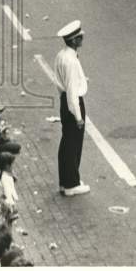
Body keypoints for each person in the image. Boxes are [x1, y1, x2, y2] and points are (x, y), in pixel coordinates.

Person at [53, 20, 89, 196]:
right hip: (72, 103)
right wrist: (78, 116)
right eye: (80, 37)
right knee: (73, 144)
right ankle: (71, 184)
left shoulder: (62, 55)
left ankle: (65, 180)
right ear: (74, 41)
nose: (82, 38)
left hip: (64, 101)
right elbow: (73, 91)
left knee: (67, 142)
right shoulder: (71, 61)